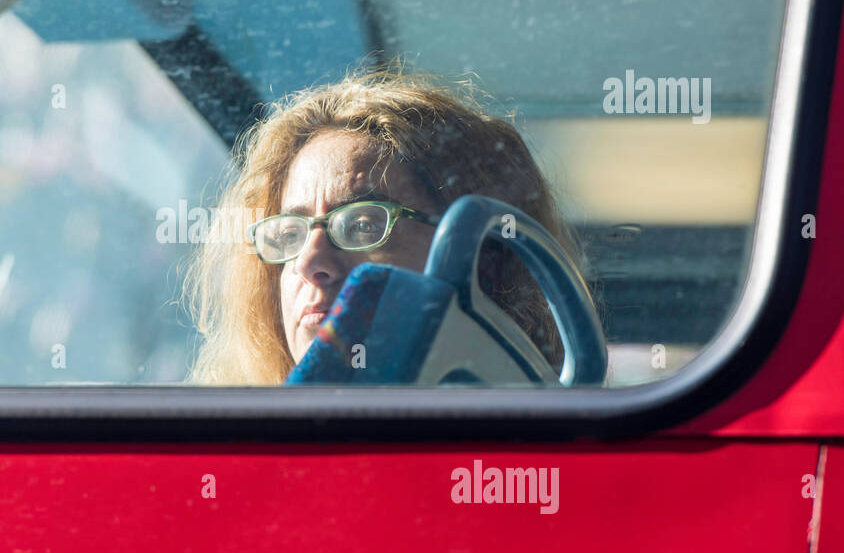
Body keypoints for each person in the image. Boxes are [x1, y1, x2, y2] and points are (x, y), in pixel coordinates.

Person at [182, 66, 587, 385]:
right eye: (290, 234)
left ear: (487, 259)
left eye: (362, 225)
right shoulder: (236, 460)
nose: (309, 262)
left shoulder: (537, 466)